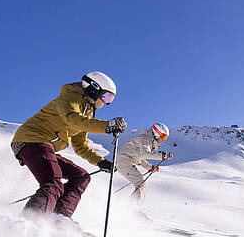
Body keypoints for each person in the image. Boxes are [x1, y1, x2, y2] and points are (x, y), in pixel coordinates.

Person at [10, 71, 127, 219]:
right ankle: (29, 222)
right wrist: (107, 126)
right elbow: (72, 119)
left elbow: (81, 146)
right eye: (105, 96)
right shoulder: (70, 98)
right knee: (53, 184)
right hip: (31, 140)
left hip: (43, 146)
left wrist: (101, 162)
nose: (106, 102)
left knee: (81, 176)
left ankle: (59, 217)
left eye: (110, 98)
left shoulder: (88, 112)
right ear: (94, 88)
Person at [116, 122, 173, 202]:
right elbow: (145, 154)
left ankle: (132, 205)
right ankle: (133, 206)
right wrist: (162, 156)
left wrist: (149, 167)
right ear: (157, 133)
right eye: (163, 136)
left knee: (142, 184)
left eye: (165, 137)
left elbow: (140, 157)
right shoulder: (145, 139)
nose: (163, 139)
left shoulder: (148, 140)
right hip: (124, 161)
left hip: (126, 161)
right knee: (141, 183)